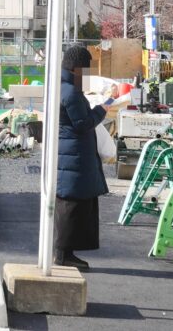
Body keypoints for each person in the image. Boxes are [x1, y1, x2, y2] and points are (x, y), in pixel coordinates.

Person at [54, 44, 118, 270]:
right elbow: (83, 123)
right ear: (77, 69)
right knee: (72, 206)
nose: (88, 75)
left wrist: (105, 103)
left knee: (73, 204)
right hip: (74, 155)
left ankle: (64, 253)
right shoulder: (71, 92)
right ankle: (63, 255)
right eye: (87, 69)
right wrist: (105, 107)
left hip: (71, 155)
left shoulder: (64, 88)